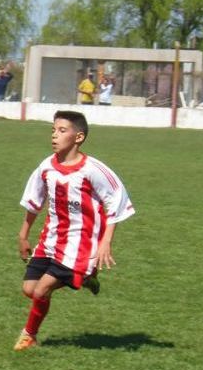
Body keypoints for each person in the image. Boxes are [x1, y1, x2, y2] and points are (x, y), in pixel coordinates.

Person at [13, 110, 135, 351]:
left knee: (41, 289)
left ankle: (29, 335)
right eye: (53, 130)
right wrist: (23, 235)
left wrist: (106, 242)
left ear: (78, 137)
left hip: (80, 245)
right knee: (29, 289)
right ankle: (85, 277)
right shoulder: (47, 166)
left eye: (62, 130)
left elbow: (116, 202)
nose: (54, 136)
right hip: (51, 239)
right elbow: (33, 201)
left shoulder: (93, 170)